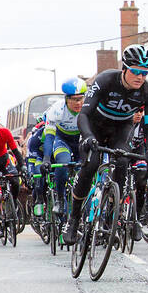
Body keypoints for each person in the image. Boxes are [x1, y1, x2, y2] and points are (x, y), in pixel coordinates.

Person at [65, 45, 148, 245]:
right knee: (91, 165)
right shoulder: (105, 80)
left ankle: (110, 216)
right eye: (135, 71)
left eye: (145, 72)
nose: (140, 77)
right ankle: (73, 220)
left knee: (123, 161)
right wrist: (88, 137)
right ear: (124, 68)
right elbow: (83, 115)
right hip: (95, 127)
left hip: (121, 129)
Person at [42, 79, 86, 212]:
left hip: (80, 140)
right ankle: (60, 199)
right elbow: (49, 137)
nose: (78, 103)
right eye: (74, 99)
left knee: (85, 168)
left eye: (80, 99)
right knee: (63, 162)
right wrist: (46, 159)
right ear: (66, 99)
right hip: (62, 140)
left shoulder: (88, 107)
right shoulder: (56, 110)